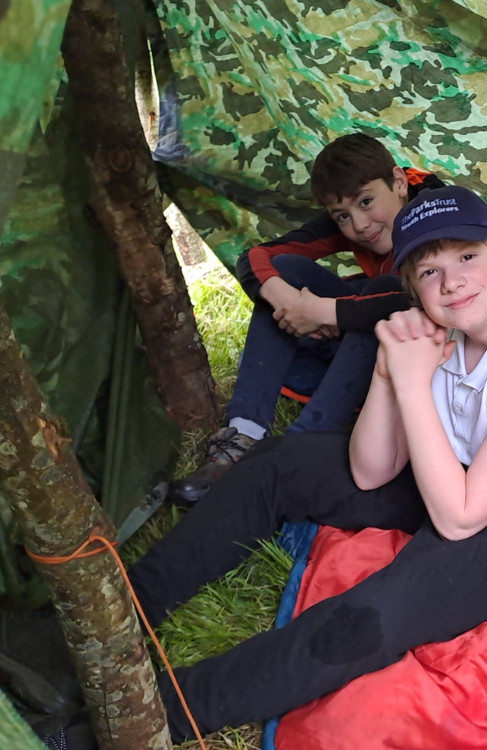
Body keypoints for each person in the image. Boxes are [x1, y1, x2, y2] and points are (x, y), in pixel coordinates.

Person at [130, 185, 487, 740]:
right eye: (429, 271)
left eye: (467, 257)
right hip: (465, 477)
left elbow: (460, 519)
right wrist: (389, 372)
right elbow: (370, 471)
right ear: (411, 285)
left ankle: (151, 713)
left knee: (373, 614)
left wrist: (414, 383)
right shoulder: (437, 330)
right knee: (284, 461)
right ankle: (126, 612)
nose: (452, 282)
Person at [169, 133, 447, 506]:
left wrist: (322, 311)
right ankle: (243, 435)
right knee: (284, 269)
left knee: (380, 294)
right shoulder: (355, 218)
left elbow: (419, 297)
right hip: (359, 358)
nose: (360, 225)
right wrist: (289, 300)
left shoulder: (436, 210)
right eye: (343, 216)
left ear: (398, 182)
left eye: (367, 202)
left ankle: (299, 451)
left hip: (430, 366)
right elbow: (258, 258)